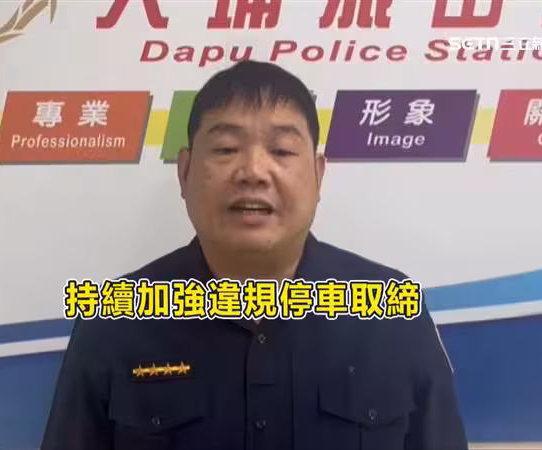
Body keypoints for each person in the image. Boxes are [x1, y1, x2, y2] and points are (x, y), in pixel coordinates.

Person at [41, 60, 468, 450]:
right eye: (226, 149)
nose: (253, 172)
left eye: (281, 151)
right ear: (185, 172)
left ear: (318, 174)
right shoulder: (114, 320)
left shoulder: (392, 312)